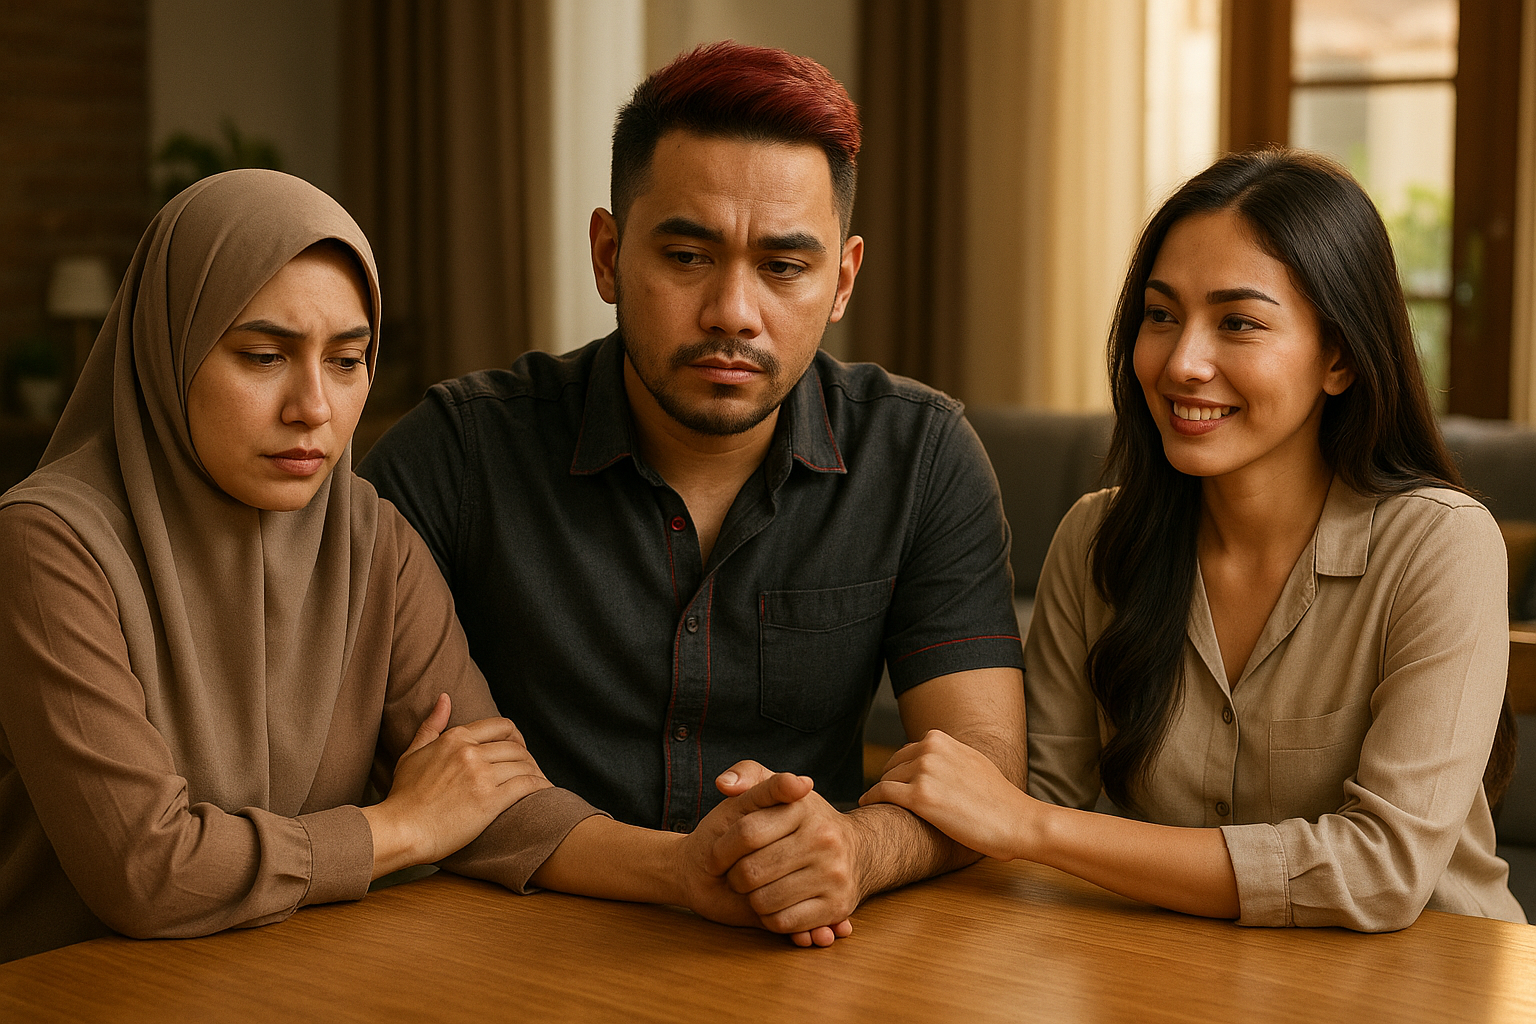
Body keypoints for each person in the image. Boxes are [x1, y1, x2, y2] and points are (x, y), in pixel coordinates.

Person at [359, 41, 1026, 946]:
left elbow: (983, 767)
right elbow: (422, 769)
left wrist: (856, 851)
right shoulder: (458, 454)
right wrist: (678, 873)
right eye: (686, 254)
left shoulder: (921, 457)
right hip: (509, 946)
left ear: (843, 280)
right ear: (607, 254)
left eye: (784, 268)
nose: (733, 312)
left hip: (802, 958)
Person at [861, 148, 1526, 931]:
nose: (1182, 363)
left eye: (1238, 322)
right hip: (1185, 979)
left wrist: (1033, 827)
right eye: (1162, 314)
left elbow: (1381, 869)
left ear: (1339, 357)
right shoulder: (1097, 539)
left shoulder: (1444, 547)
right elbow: (1025, 801)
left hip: (1427, 987)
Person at [0, 169, 629, 962]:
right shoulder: (46, 547)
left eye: (346, 360)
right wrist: (399, 827)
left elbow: (489, 794)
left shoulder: (375, 542)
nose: (315, 408)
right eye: (264, 356)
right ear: (169, 349)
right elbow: (148, 872)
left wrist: (693, 870)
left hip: (287, 983)